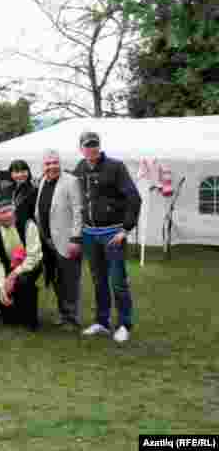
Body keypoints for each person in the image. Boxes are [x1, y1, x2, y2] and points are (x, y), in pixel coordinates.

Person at [73, 131, 141, 343]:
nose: (91, 148)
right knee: (98, 280)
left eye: (94, 144)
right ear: (81, 149)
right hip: (90, 234)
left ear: (99, 146)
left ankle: (124, 324)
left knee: (118, 281)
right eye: (87, 145)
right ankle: (102, 322)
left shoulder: (116, 167)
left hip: (113, 233)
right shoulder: (80, 168)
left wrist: (125, 229)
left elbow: (134, 198)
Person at [35, 149, 84, 329]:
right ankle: (63, 314)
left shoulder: (71, 181)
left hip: (67, 240)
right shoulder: (43, 181)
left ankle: (72, 318)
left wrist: (76, 239)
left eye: (55, 162)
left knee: (70, 280)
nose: (52, 166)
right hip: (48, 240)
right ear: (43, 166)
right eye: (48, 163)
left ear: (60, 163)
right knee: (57, 279)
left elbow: (79, 211)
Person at [0, 194, 43, 331]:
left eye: (10, 210)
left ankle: (30, 320)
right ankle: (12, 314)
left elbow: (33, 257)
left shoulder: (28, 225)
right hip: (7, 265)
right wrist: (2, 286)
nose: (8, 215)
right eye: (3, 212)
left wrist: (13, 275)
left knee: (23, 281)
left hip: (31, 264)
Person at [9, 159, 37, 230]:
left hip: (27, 229)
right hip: (12, 228)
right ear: (11, 174)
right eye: (16, 172)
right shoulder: (9, 189)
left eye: (23, 171)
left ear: (28, 172)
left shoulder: (34, 190)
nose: (20, 175)